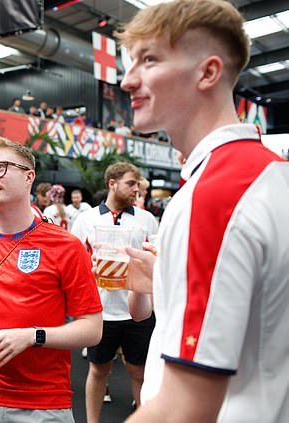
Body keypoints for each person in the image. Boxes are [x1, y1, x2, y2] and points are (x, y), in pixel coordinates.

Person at [117, 1, 289, 421]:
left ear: (208, 72)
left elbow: (183, 410)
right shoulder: (270, 176)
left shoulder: (218, 194)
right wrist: (168, 281)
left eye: (149, 59)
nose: (127, 80)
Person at [0, 136, 103, 422]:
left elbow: (92, 329)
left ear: (29, 177)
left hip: (42, 404)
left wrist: (31, 336)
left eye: (0, 168)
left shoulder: (65, 246)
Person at [71, 162, 158, 423]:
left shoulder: (146, 219)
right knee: (98, 370)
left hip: (138, 311)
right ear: (112, 183)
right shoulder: (86, 219)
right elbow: (73, 259)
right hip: (99, 310)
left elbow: (156, 258)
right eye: (131, 183)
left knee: (139, 373)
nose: (136, 189)